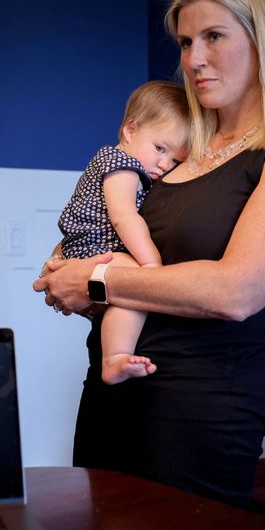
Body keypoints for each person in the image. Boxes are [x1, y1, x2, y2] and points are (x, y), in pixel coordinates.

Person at [33, 0, 265, 508]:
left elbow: (235, 293)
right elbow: (112, 244)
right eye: (185, 41)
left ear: (261, 39)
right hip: (112, 389)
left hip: (201, 411)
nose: (193, 59)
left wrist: (99, 280)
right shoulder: (177, 151)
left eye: (214, 37)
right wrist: (72, 274)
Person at [56, 80, 188, 384]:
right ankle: (114, 357)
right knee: (132, 283)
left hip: (90, 246)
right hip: (94, 247)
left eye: (175, 160)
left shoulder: (125, 163)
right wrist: (151, 266)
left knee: (125, 291)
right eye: (159, 148)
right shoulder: (122, 165)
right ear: (130, 130)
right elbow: (124, 218)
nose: (164, 164)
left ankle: (114, 355)